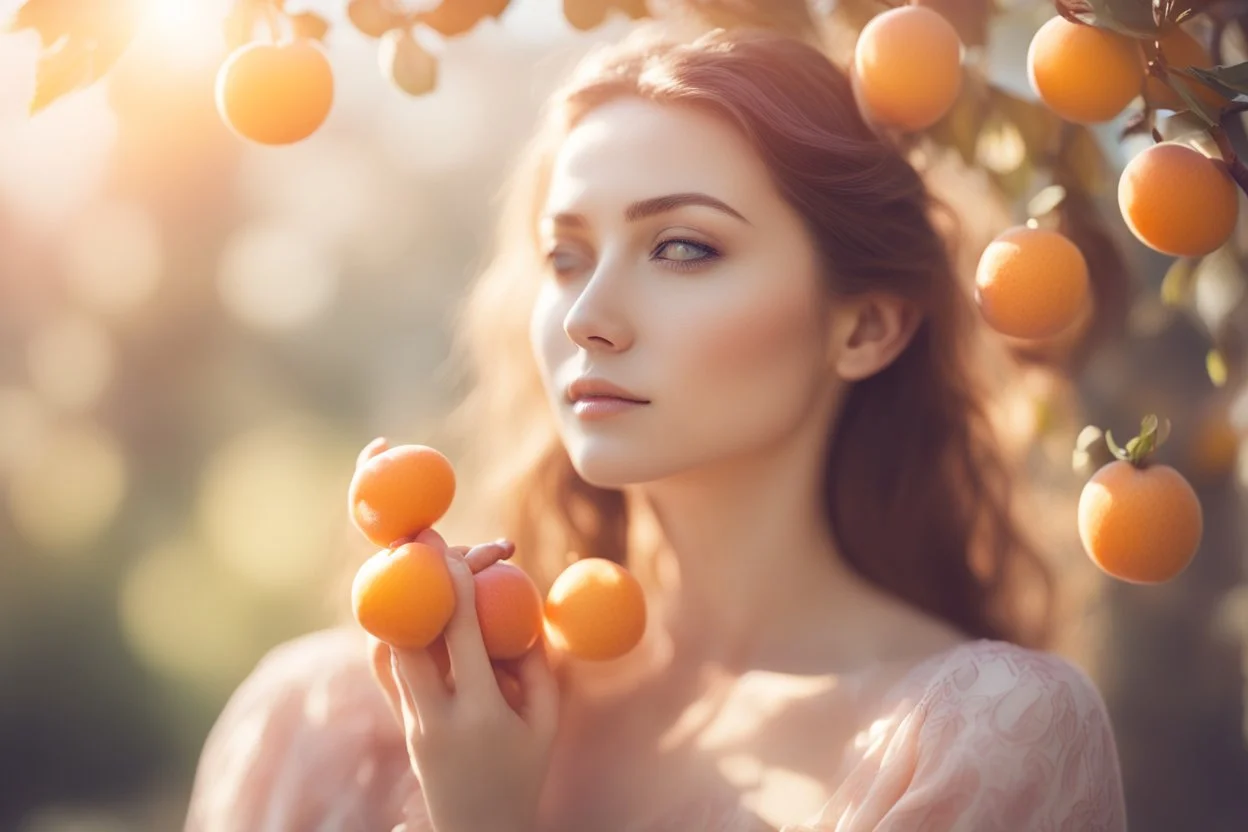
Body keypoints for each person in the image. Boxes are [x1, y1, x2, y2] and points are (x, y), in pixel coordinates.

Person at [184, 23, 1127, 832]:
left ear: (865, 325)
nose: (590, 313)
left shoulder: (984, 741)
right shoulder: (327, 720)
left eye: (683, 247)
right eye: (565, 256)